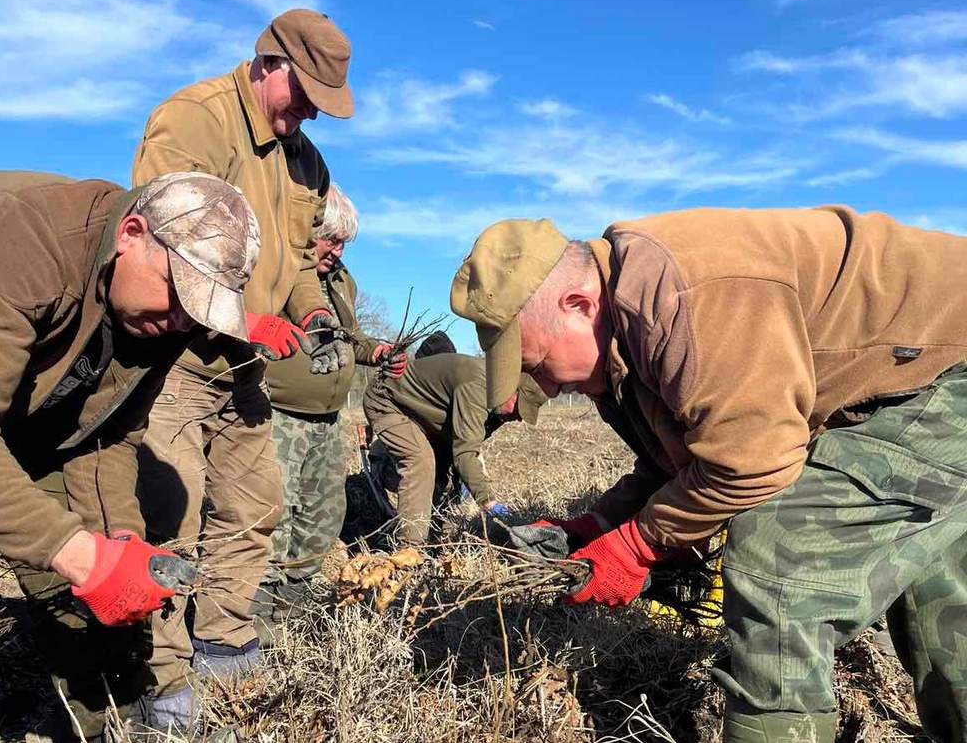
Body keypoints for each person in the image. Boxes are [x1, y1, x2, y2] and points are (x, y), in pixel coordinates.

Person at [451, 214, 967, 743]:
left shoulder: (681, 296)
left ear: (580, 304)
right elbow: (681, 461)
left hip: (948, 367)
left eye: (536, 363)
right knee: (931, 575)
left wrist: (634, 546)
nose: (548, 387)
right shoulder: (624, 339)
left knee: (779, 558)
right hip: (910, 380)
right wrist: (597, 526)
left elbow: (752, 461)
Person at [0, 169, 260, 740]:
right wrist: (77, 553)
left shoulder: (157, 314)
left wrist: (117, 544)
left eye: (199, 309)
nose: (181, 321)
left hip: (18, 421)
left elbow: (108, 435)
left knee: (83, 602)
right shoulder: (18, 236)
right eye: (179, 293)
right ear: (131, 233)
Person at [131, 8, 354, 724]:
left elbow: (297, 266)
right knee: (168, 515)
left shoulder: (307, 162)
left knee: (254, 506)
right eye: (305, 91)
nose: (312, 109)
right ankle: (160, 682)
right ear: (269, 63)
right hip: (170, 359)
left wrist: (314, 313)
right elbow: (161, 242)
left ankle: (223, 644)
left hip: (242, 369)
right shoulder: (196, 119)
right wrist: (242, 315)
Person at [260, 183, 407, 613]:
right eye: (332, 240)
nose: (338, 251)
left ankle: (294, 600)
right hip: (279, 413)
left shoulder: (343, 282)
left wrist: (376, 351)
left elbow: (349, 338)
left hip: (328, 418)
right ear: (307, 233)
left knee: (323, 509)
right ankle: (255, 613)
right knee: (274, 510)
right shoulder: (277, 270)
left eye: (344, 243)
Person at [363, 353, 548, 544]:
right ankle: (409, 549)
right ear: (509, 389)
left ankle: (439, 540)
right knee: (420, 461)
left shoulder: (499, 407)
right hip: (387, 400)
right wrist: (487, 500)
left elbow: (462, 448)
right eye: (519, 408)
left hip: (427, 418)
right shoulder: (478, 387)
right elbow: (465, 453)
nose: (518, 417)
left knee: (447, 473)